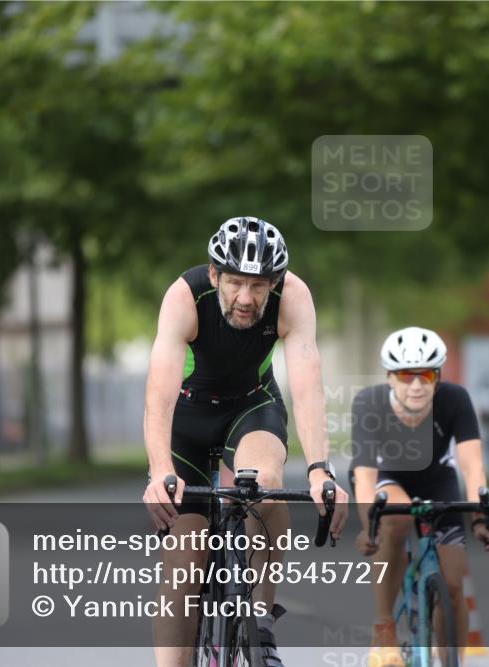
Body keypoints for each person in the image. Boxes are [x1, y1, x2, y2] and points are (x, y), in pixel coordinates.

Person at [142, 216, 349, 667]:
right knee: (184, 566)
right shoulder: (185, 297)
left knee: (267, 484)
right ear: (215, 274)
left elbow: (308, 383)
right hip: (187, 420)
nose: (245, 297)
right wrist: (160, 471)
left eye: (258, 286)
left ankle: (261, 627)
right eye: (235, 282)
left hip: (252, 408)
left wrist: (320, 469)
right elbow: (159, 395)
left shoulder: (293, 297)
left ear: (274, 281)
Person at [349, 326, 489, 667]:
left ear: (439, 375)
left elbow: (472, 465)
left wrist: (481, 517)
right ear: (390, 377)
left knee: (452, 585)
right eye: (406, 376)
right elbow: (364, 476)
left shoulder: (455, 399)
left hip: (438, 481)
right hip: (386, 478)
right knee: (397, 518)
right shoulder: (368, 403)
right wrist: (368, 527)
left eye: (427, 375)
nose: (417, 385)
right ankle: (383, 626)